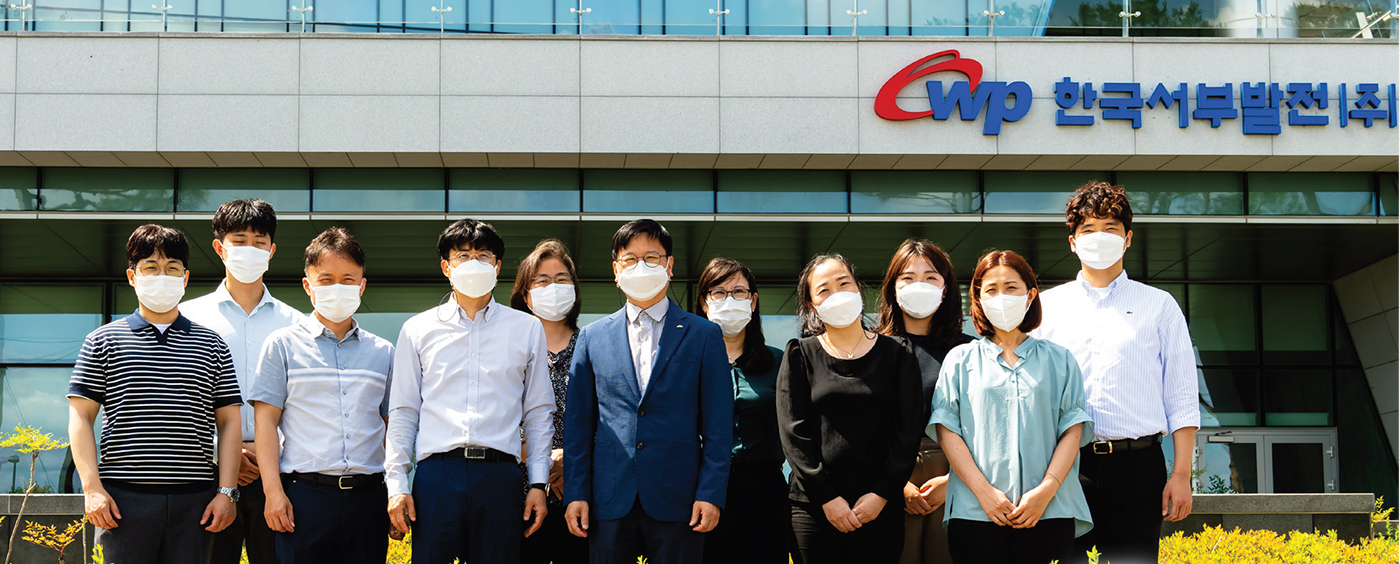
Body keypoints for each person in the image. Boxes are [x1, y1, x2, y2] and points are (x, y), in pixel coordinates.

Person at [1032, 181, 1198, 564]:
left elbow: (1182, 396)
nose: (1099, 237)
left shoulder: (1159, 305)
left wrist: (1181, 475)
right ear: (1072, 242)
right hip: (1064, 465)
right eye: (1088, 229)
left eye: (1110, 228)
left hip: (1137, 465)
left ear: (1127, 239)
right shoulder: (1045, 308)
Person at [67, 224, 242, 564]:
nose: (162, 276)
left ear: (185, 277)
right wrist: (92, 489)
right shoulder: (102, 341)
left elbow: (229, 421)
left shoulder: (212, 344)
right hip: (122, 501)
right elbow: (80, 416)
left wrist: (226, 492)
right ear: (132, 276)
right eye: (150, 267)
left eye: (172, 268)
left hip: (196, 502)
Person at [562, 219, 733, 564]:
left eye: (652, 257)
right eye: (630, 259)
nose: (641, 266)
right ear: (616, 270)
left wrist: (711, 492)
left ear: (669, 266)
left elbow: (718, 425)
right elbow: (578, 425)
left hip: (681, 499)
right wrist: (576, 492)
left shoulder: (703, 334)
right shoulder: (592, 337)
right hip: (609, 498)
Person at [385, 218, 553, 564]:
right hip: (437, 475)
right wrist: (397, 484)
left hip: (500, 476)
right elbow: (403, 412)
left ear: (497, 266)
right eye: (463, 255)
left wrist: (538, 484)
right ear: (446, 267)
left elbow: (538, 411)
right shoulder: (418, 329)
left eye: (483, 255)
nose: (473, 263)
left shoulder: (526, 328)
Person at [929, 250, 1094, 564]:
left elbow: (1072, 431)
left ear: (1030, 295)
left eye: (1011, 287)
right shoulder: (960, 360)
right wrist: (983, 492)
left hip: (1049, 510)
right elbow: (947, 430)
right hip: (975, 511)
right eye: (991, 290)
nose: (1001, 297)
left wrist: (1046, 491)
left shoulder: (1060, 359)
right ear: (978, 299)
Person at [249, 227, 395, 564]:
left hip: (369, 498)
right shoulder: (282, 345)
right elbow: (265, 423)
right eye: (326, 280)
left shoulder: (384, 352)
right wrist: (273, 492)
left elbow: (393, 428)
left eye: (347, 279)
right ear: (308, 286)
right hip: (304, 498)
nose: (337, 288)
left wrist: (395, 491)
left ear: (362, 286)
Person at [777, 253, 923, 564]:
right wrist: (827, 498)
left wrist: (882, 493)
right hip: (814, 508)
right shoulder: (800, 354)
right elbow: (793, 434)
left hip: (880, 507)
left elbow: (908, 431)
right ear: (812, 305)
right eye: (824, 290)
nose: (837, 294)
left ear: (858, 288)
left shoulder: (897, 353)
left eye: (844, 283)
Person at [182, 198, 302, 564]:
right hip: (206, 476)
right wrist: (225, 454)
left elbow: (303, 402)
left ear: (271, 251)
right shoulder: (187, 318)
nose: (250, 249)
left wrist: (267, 453)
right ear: (219, 248)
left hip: (280, 477)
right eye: (239, 240)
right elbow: (180, 401)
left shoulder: (298, 324)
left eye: (259, 241)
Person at [875, 239, 975, 564]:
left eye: (931, 277)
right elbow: (864, 426)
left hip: (956, 476)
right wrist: (896, 484)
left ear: (945, 290)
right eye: (908, 277)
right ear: (893, 288)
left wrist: (954, 480)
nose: (920, 285)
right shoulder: (871, 349)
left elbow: (985, 425)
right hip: (886, 479)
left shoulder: (971, 351)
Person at [693, 257, 788, 564]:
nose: (729, 300)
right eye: (719, 292)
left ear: (753, 301)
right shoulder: (687, 364)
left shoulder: (779, 362)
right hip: (702, 491)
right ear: (704, 302)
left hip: (763, 491)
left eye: (738, 292)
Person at [510, 238, 589, 564]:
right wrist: (542, 459)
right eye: (541, 281)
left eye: (561, 279)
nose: (552, 287)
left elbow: (611, 418)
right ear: (525, 295)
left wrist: (570, 459)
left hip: (580, 496)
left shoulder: (593, 347)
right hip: (519, 497)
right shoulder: (508, 350)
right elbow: (493, 416)